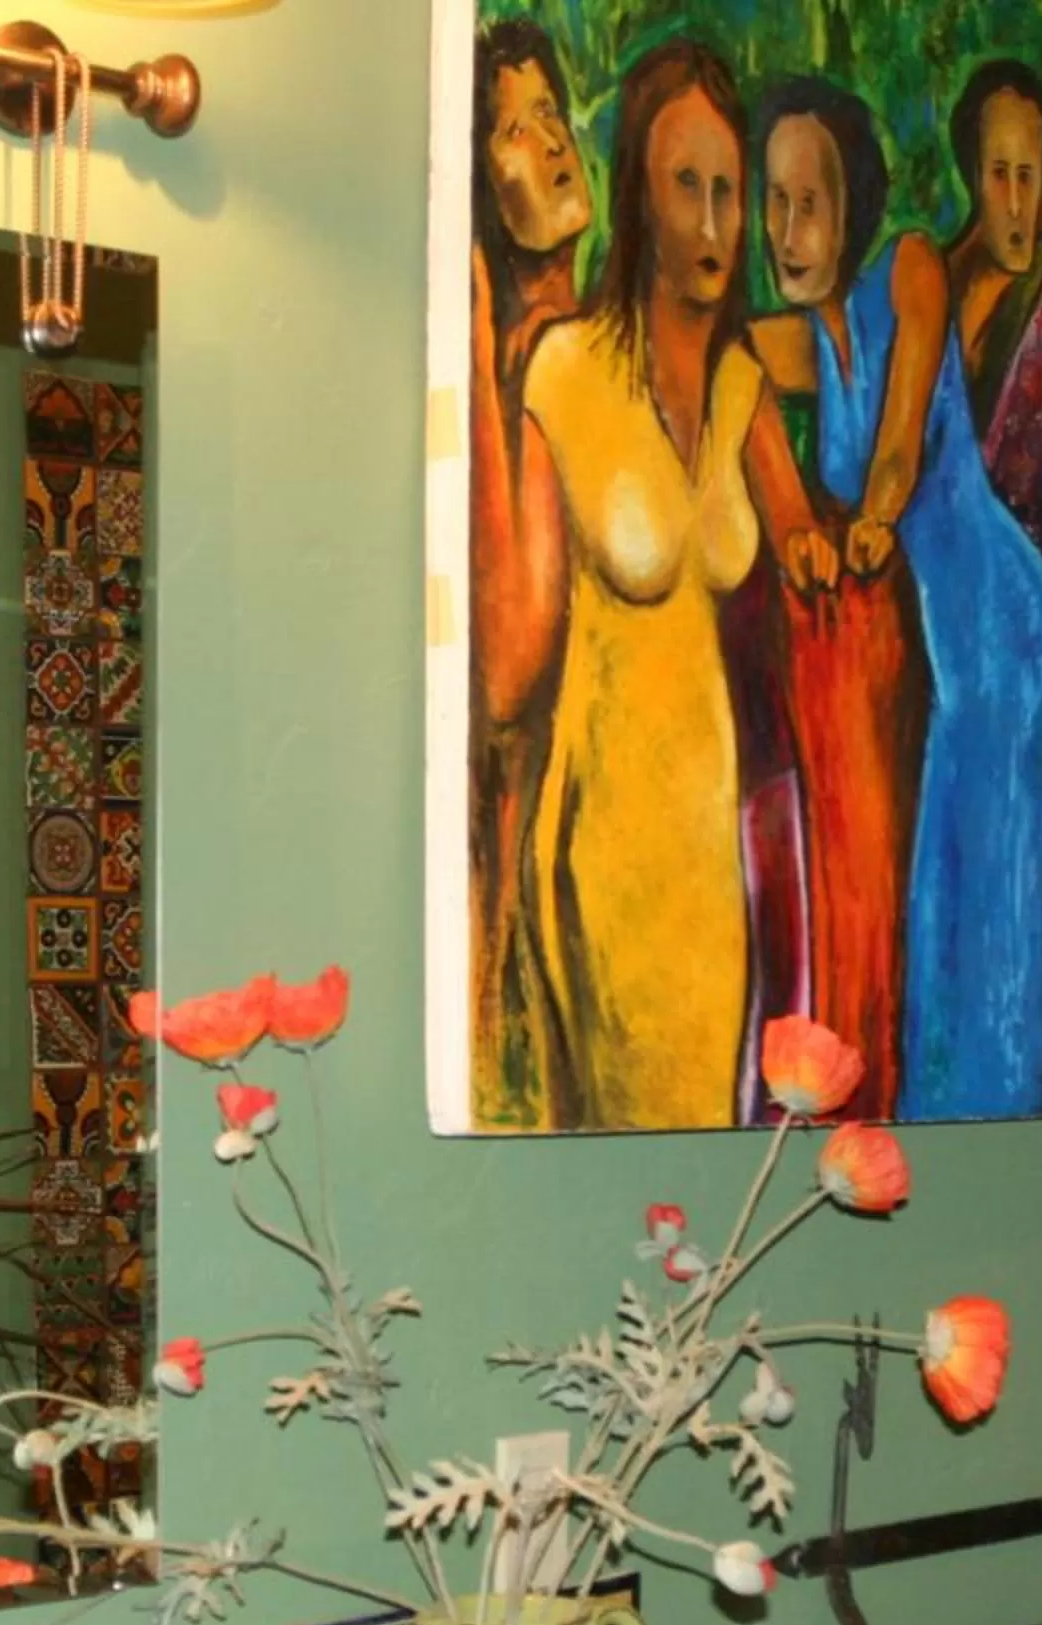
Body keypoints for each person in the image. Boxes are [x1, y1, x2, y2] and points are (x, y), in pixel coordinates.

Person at [500, 38, 839, 1131]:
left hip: (717, 873)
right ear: (640, 202)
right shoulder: (563, 371)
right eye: (684, 187)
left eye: (726, 192)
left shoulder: (743, 384)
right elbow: (513, 661)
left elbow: (803, 547)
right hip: (603, 862)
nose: (710, 223)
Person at [751, 76, 1042, 1122]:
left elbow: (899, 448)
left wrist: (877, 512)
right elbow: (713, 349)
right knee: (938, 891)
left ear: (856, 208)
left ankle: (1002, 1109)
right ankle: (952, 1122)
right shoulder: (804, 340)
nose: (787, 231)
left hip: (998, 623)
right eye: (775, 201)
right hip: (937, 649)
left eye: (811, 202)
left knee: (994, 905)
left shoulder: (912, 271)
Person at [467, 19, 592, 1129]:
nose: (551, 141)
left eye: (552, 112)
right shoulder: (539, 356)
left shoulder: (582, 332)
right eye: (514, 127)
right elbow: (511, 665)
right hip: (541, 872)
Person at [943, 58, 1042, 557]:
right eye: (999, 174)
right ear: (972, 176)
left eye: (1027, 175)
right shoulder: (929, 285)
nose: (1016, 203)